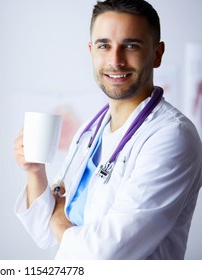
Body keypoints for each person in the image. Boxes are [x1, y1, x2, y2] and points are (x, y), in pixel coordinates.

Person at [13, 0, 202, 259]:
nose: (116, 61)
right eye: (104, 46)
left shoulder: (172, 136)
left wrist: (58, 221)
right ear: (92, 51)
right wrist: (35, 172)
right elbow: (43, 232)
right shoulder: (90, 131)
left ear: (157, 54)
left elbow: (106, 254)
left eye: (131, 45)